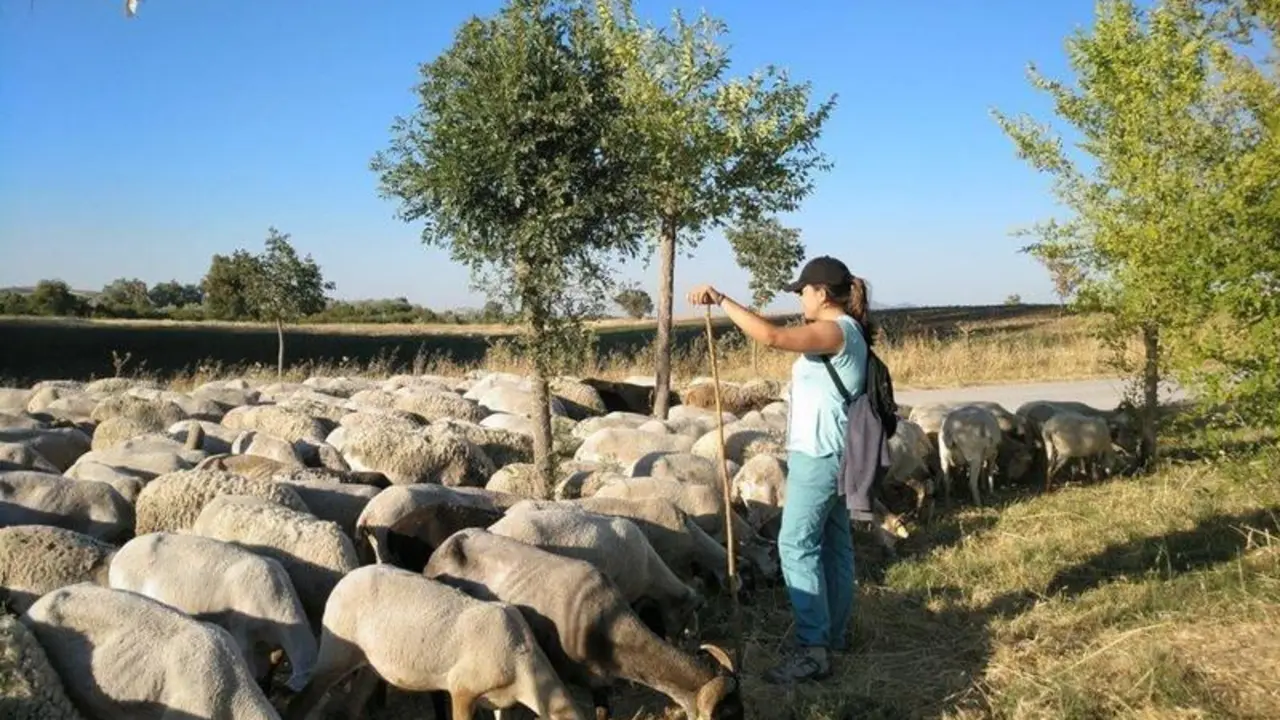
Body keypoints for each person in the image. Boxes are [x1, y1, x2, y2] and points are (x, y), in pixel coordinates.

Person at [686, 255, 871, 684]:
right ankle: (833, 636)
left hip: (820, 455)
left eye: (803, 290)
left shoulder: (834, 330)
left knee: (795, 545)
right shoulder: (849, 332)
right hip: (838, 452)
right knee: (833, 545)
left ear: (822, 293)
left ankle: (813, 650)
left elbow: (770, 336)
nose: (800, 298)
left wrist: (722, 298)